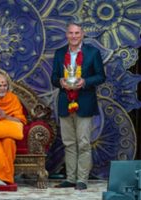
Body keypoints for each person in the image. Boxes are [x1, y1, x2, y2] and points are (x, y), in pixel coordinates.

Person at [51, 21, 105, 190]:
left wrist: (84, 82)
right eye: (71, 33)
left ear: (83, 34)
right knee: (68, 142)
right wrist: (60, 81)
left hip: (84, 102)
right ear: (66, 35)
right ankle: (71, 178)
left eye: (77, 33)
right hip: (64, 102)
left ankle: (82, 180)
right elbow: (54, 78)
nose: (74, 36)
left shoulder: (92, 52)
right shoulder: (60, 53)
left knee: (83, 142)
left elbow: (101, 76)